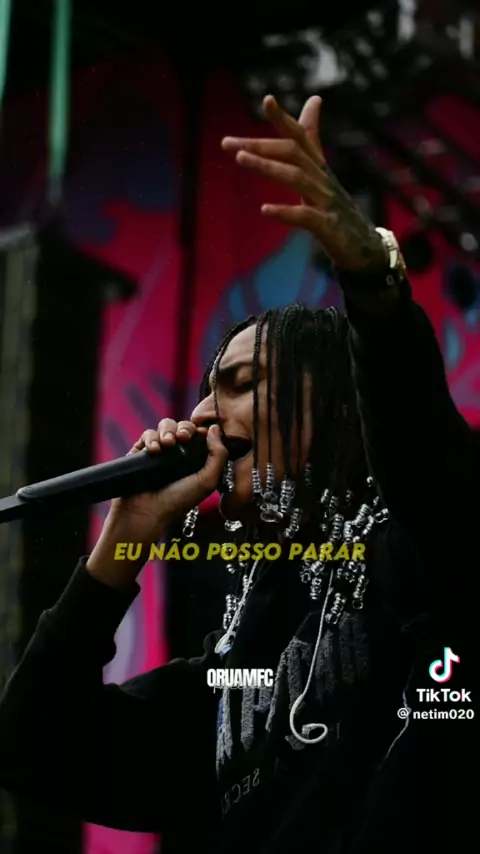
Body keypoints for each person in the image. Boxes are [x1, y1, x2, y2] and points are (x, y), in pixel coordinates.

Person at [0, 96, 476, 854]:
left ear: (341, 405)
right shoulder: (236, 668)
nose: (202, 415)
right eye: (206, 389)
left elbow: (414, 431)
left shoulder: (425, 547)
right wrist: (125, 540)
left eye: (243, 382)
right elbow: (32, 745)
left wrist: (370, 280)